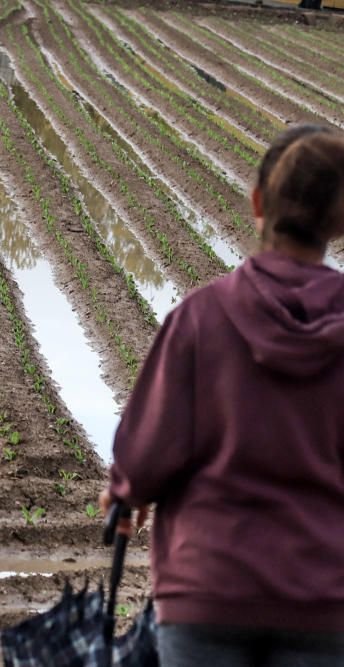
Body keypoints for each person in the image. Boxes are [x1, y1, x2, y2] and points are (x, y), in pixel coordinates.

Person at [101, 125, 344, 666]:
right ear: (339, 221)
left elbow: (145, 454)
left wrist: (127, 492)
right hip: (323, 597)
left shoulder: (201, 316)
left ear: (258, 203)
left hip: (206, 591)